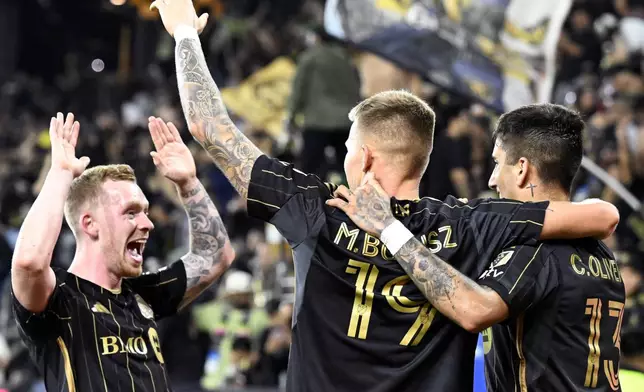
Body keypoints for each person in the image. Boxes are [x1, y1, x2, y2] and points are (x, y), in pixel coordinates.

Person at [151, 2, 619, 390]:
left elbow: (208, 128)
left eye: (352, 149)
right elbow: (600, 216)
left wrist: (185, 35)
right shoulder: (471, 222)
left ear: (368, 159)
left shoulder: (318, 208)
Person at [334, 104, 625, 391]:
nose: (492, 179)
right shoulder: (601, 253)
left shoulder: (534, 249)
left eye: (497, 163)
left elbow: (474, 310)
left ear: (522, 169)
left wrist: (388, 228)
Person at [10, 113, 235, 391]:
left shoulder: (143, 294)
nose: (148, 223)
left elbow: (217, 256)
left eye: (145, 212)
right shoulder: (60, 301)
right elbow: (29, 263)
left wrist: (188, 183)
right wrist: (60, 173)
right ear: (90, 224)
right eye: (131, 213)